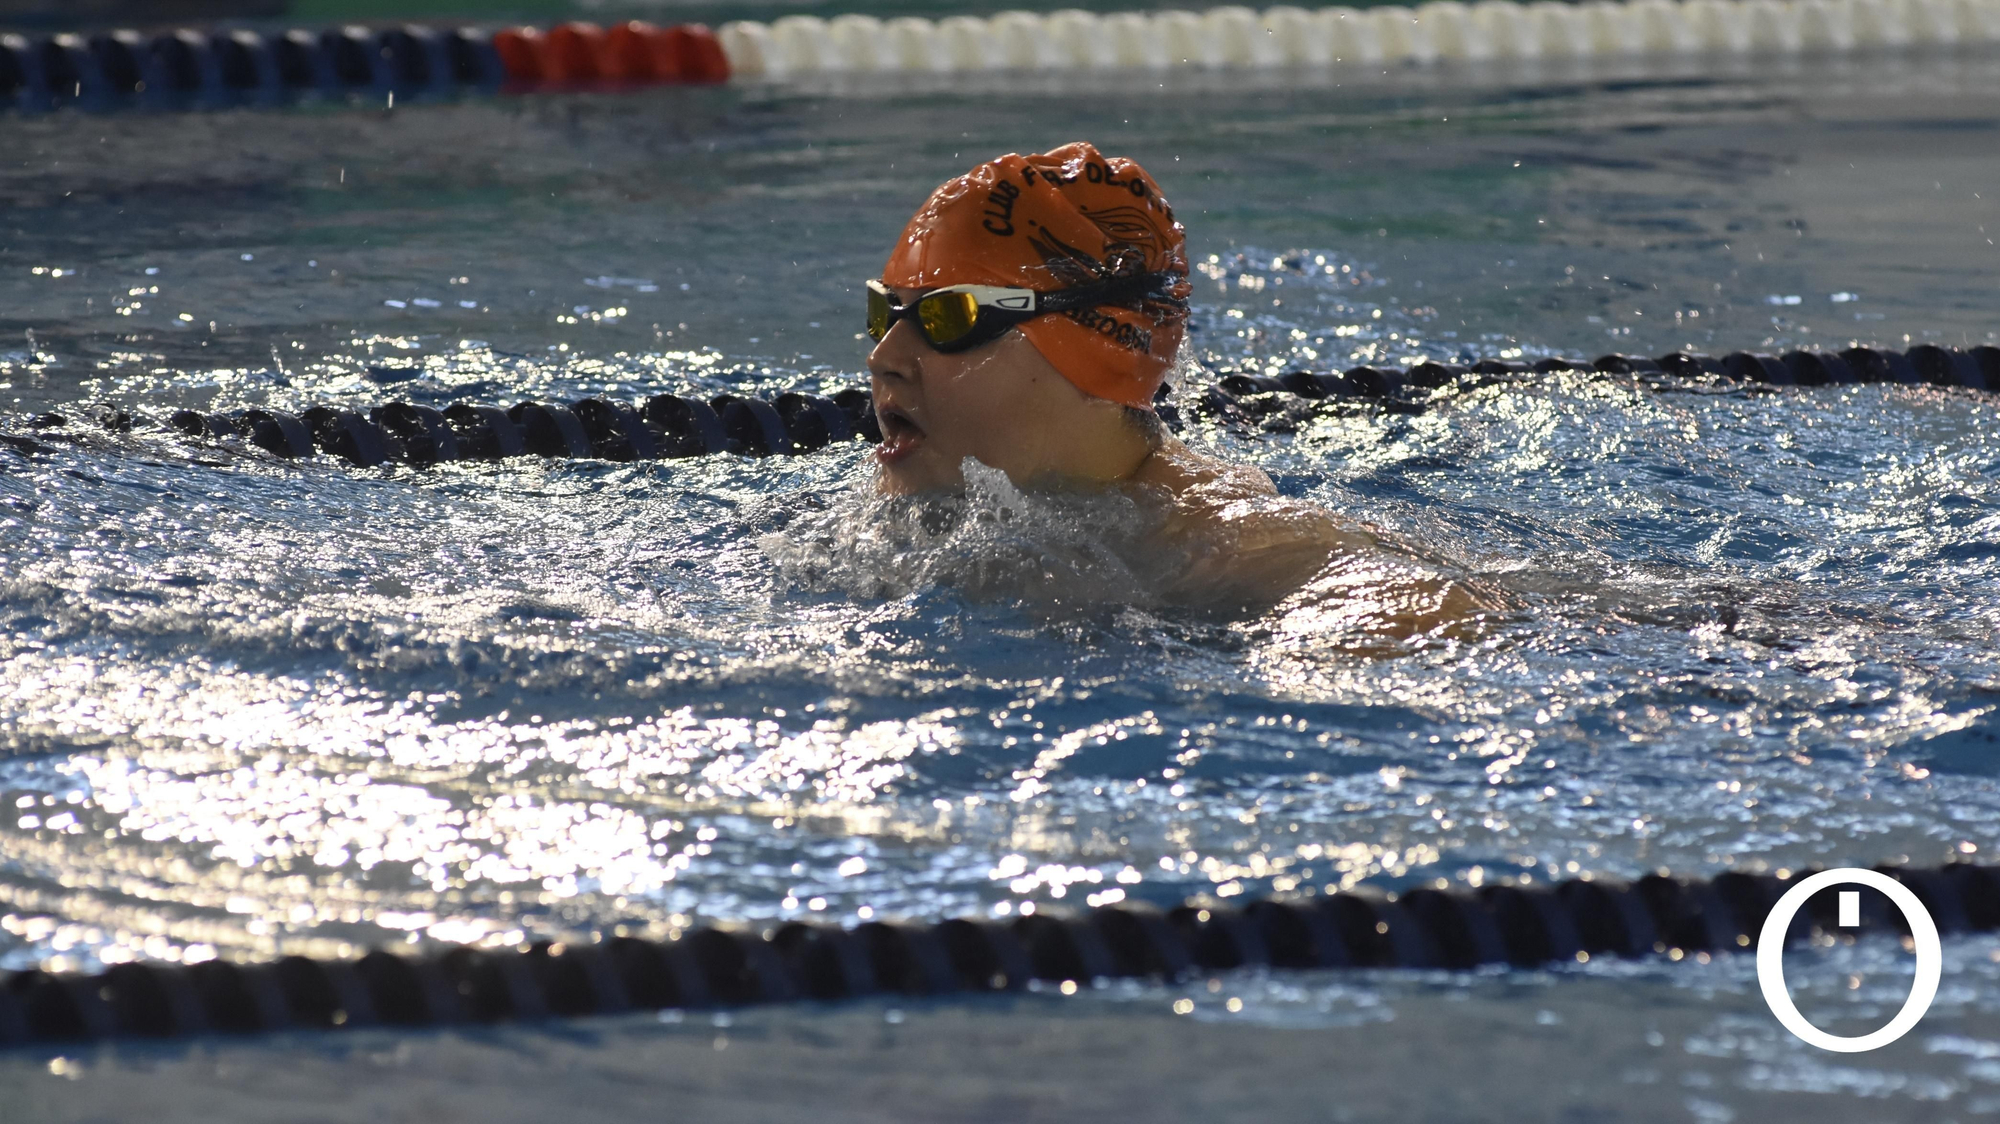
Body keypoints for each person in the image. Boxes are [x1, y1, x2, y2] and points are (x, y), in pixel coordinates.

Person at [864, 141, 1492, 634]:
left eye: (949, 318)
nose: (884, 357)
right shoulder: (927, 526)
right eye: (883, 312)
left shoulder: (1229, 544)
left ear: (1094, 349)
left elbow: (1435, 615)